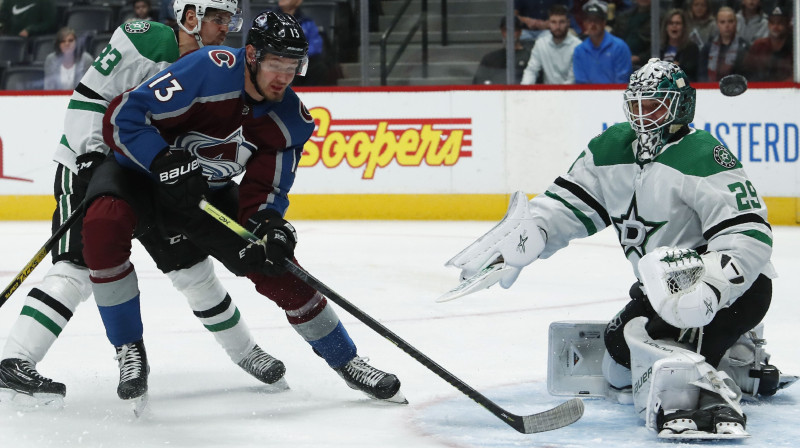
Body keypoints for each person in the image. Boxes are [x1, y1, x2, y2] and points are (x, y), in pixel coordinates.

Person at [84, 11, 405, 406]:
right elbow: (123, 115)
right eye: (275, 64)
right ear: (251, 55)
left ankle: (348, 361)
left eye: (292, 67)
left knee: (278, 266)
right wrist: (163, 159)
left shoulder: (289, 120)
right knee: (102, 223)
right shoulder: (206, 70)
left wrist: (270, 225)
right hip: (139, 177)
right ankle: (128, 349)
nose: (283, 78)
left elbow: (266, 189)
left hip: (202, 195)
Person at [446, 58, 777, 438]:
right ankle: (739, 361)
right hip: (664, 290)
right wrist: (528, 236)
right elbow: (566, 205)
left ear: (681, 106)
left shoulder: (704, 154)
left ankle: (708, 391)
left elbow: (749, 233)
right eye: (635, 103)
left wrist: (714, 286)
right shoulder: (611, 147)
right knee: (618, 355)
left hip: (734, 290)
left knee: (667, 347)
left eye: (654, 104)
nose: (641, 114)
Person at [0, 0, 287, 410]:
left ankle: (246, 352)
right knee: (76, 265)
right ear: (191, 17)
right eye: (219, 19)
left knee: (191, 268)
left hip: (153, 179)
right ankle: (15, 360)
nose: (227, 29)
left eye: (229, 19)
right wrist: (91, 158)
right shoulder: (146, 40)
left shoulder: (218, 67)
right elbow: (87, 98)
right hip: (96, 165)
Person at [272, 0, 337, 86]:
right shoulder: (268, 20)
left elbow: (316, 47)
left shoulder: (306, 22)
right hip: (274, 62)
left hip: (297, 62)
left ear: (298, 1)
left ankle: (307, 95)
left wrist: (296, 54)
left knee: (317, 67)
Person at [573, 1, 632, 84]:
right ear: (584, 24)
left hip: (616, 95)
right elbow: (581, 82)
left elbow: (622, 82)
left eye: (596, 20)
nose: (592, 24)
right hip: (588, 95)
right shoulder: (579, 50)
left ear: (604, 23)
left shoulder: (620, 47)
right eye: (589, 21)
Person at [521, 4, 581, 85]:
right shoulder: (541, 44)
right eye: (553, 22)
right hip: (548, 94)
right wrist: (523, 91)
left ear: (568, 23)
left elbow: (572, 80)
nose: (557, 26)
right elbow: (531, 70)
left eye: (561, 22)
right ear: (549, 23)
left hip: (570, 94)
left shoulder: (578, 46)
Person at [473, 16, 534, 85]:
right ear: (502, 31)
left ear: (520, 32)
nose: (510, 34)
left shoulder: (530, 58)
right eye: (506, 30)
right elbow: (477, 85)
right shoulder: (489, 59)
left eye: (514, 30)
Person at [698, 7, 750, 82]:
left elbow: (746, 75)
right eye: (722, 22)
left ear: (736, 23)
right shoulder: (707, 48)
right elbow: (701, 75)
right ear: (717, 24)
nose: (727, 25)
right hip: (710, 90)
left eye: (730, 21)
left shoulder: (744, 47)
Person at [744, 4, 793, 81]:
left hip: (789, 90)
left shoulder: (795, 47)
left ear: (788, 24)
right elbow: (746, 71)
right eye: (772, 22)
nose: (775, 27)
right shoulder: (758, 45)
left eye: (780, 23)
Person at [659, 9, 700, 81]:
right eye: (671, 23)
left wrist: (678, 67)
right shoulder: (660, 48)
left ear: (684, 27)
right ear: (666, 27)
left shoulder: (691, 48)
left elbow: (691, 71)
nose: (674, 26)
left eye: (678, 23)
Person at [613, 0, 652, 70]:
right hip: (620, 59)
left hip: (645, 65)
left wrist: (639, 58)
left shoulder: (659, 18)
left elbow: (661, 45)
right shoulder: (623, 16)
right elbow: (613, 38)